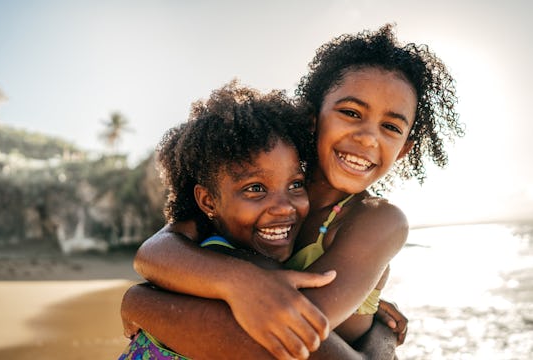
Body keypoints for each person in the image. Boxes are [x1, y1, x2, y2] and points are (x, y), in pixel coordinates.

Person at [122, 24, 464, 359]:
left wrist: (142, 302)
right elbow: (156, 252)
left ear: (403, 149)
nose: (368, 138)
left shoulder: (378, 221)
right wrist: (238, 282)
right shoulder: (257, 184)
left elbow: (284, 339)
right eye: (350, 112)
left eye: (391, 127)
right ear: (314, 118)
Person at [119, 82, 324, 359]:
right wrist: (377, 336)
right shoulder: (226, 266)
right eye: (255, 188)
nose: (284, 207)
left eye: (296, 184)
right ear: (208, 201)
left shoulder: (193, 258)